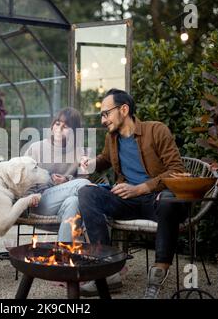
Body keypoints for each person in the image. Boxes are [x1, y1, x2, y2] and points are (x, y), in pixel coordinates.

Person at [78, 89, 187, 299]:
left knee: (168, 201)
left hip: (157, 200)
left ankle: (158, 274)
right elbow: (105, 159)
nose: (103, 120)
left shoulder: (156, 130)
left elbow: (177, 170)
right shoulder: (112, 137)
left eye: (106, 113)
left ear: (124, 109)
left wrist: (142, 188)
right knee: (87, 194)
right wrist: (91, 163)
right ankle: (107, 270)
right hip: (128, 201)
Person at [24, 107, 91, 243]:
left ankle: (64, 253)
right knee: (85, 186)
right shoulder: (37, 148)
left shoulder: (80, 152)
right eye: (57, 123)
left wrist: (67, 180)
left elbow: (83, 182)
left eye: (65, 127)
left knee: (75, 201)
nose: (59, 129)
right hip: (39, 202)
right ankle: (92, 238)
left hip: (65, 207)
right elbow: (22, 176)